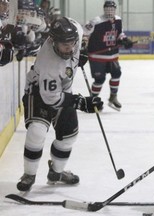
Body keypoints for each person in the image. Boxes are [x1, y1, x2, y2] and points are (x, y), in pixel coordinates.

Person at [16, 17, 103, 191]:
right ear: (54, 42)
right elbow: (51, 98)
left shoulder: (75, 31)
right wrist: (80, 102)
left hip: (63, 91)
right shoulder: (49, 63)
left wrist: (82, 49)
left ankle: (57, 172)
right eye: (65, 45)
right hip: (38, 93)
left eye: (73, 44)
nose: (70, 48)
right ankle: (29, 174)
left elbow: (82, 31)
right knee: (37, 132)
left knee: (69, 137)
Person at [82, 0, 133, 111]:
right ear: (104, 9)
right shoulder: (96, 21)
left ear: (115, 10)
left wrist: (124, 40)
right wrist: (83, 45)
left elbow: (119, 34)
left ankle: (113, 97)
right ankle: (93, 101)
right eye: (107, 8)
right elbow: (84, 32)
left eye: (112, 8)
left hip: (112, 55)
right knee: (99, 79)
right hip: (97, 56)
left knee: (116, 73)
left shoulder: (118, 20)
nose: (110, 11)